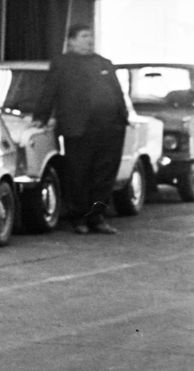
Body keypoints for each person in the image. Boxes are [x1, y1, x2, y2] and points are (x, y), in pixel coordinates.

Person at [33, 23, 129, 235]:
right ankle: (79, 218)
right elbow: (50, 90)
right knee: (79, 174)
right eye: (84, 36)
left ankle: (98, 217)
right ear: (71, 41)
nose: (89, 41)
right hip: (79, 129)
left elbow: (118, 92)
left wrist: (123, 117)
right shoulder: (63, 63)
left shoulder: (104, 63)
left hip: (110, 128)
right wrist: (41, 116)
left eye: (91, 36)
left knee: (104, 176)